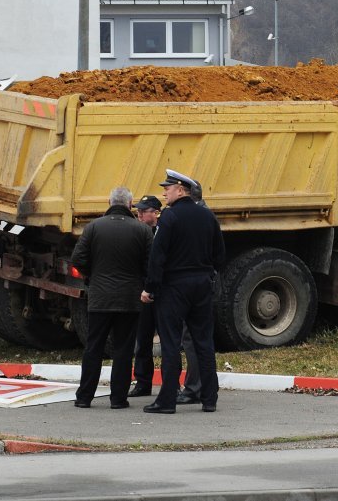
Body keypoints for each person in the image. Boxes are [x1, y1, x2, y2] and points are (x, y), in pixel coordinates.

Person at [141, 170, 225, 414]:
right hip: (202, 285)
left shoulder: (170, 216)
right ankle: (209, 399)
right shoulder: (208, 216)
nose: (164, 192)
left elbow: (158, 255)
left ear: (180, 189)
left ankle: (167, 400)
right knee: (203, 342)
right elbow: (220, 255)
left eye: (168, 188)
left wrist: (150, 288)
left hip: (174, 287)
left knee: (170, 343)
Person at [71, 186, 153, 409]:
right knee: (124, 349)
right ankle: (118, 399)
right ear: (130, 204)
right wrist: (141, 282)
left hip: (99, 298)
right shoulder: (142, 230)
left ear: (109, 202)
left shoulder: (94, 227)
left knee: (93, 347)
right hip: (129, 299)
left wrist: (93, 275)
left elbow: (77, 259)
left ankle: (84, 397)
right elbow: (150, 265)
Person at [130, 192, 204, 404]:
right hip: (146, 293)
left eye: (143, 212)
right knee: (142, 339)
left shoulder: (167, 230)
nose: (139, 216)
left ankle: (174, 385)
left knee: (171, 342)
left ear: (156, 213)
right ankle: (143, 382)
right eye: (138, 212)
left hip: (165, 294)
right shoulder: (140, 233)